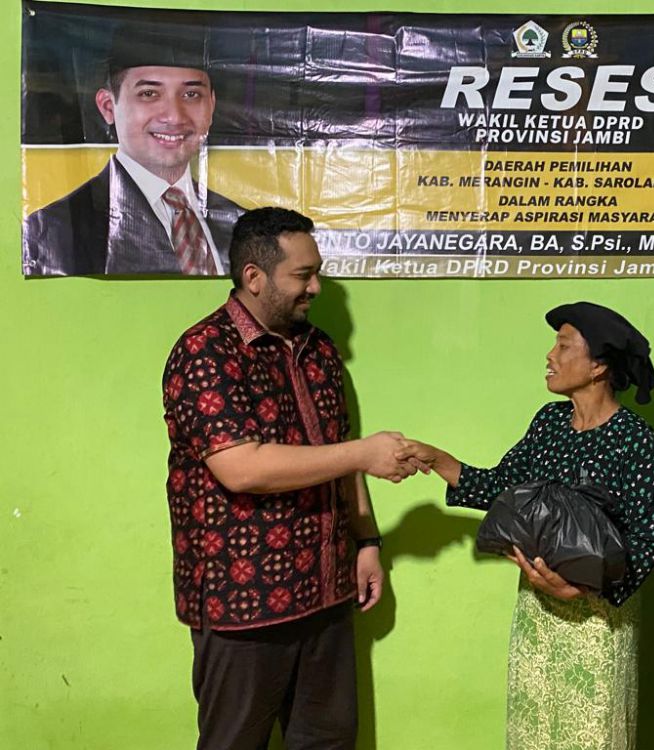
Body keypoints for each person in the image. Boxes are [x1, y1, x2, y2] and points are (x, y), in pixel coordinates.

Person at [162, 207, 421, 749]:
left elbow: (340, 454)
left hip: (326, 593)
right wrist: (362, 452)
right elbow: (242, 468)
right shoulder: (205, 350)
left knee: (329, 740)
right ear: (254, 277)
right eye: (303, 275)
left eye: (316, 272)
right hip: (243, 606)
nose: (316, 287)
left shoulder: (319, 349)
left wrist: (367, 542)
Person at [396, 301, 654, 750]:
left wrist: (581, 590)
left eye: (563, 346)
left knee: (591, 738)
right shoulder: (549, 424)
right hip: (536, 616)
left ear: (599, 366)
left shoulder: (635, 439)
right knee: (532, 735)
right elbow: (502, 490)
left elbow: (647, 538)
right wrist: (438, 459)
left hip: (599, 624)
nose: (550, 356)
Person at [23, 25, 241, 276]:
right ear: (108, 106)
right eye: (149, 93)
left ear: (211, 105)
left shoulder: (240, 223)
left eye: (191, 94)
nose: (174, 116)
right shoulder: (49, 233)